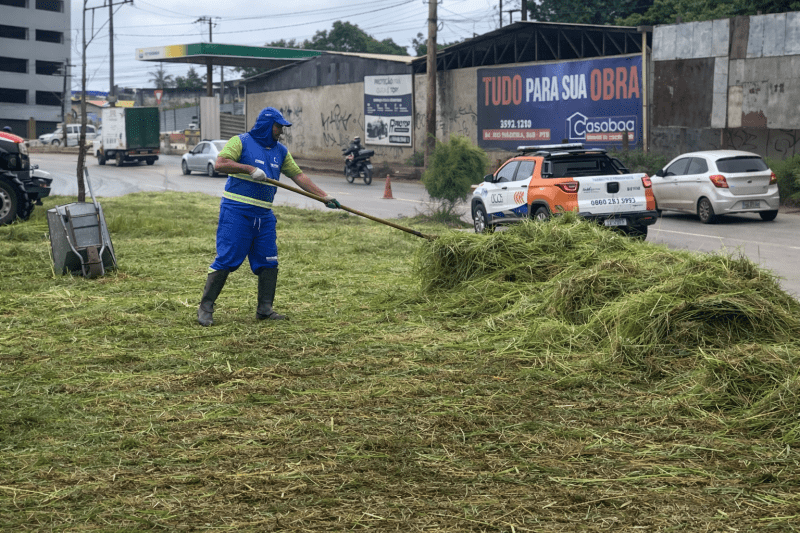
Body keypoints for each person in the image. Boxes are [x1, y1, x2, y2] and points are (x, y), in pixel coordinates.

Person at [197, 107, 341, 327]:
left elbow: (298, 176)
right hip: (237, 212)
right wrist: (248, 169)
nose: (281, 132)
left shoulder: (280, 151)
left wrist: (323, 196)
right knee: (226, 259)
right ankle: (206, 308)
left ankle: (264, 310)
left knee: (269, 261)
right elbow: (221, 164)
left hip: (264, 216)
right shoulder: (241, 141)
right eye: (278, 126)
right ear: (266, 125)